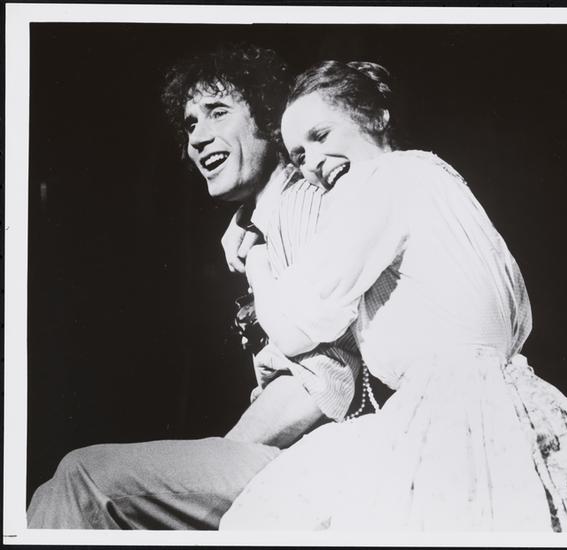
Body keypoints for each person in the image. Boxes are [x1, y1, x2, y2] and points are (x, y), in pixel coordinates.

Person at [219, 60, 567, 532]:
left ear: (376, 118)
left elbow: (296, 328)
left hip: (450, 421)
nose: (313, 163)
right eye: (299, 155)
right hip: (523, 414)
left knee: (271, 515)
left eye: (321, 135)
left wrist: (258, 253)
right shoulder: (437, 176)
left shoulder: (377, 181)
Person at [26, 44, 364, 529]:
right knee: (56, 491)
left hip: (323, 460)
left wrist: (218, 455)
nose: (197, 140)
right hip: (297, 454)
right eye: (189, 125)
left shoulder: (303, 202)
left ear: (270, 120)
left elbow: (328, 381)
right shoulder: (259, 225)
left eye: (218, 112)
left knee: (83, 478)